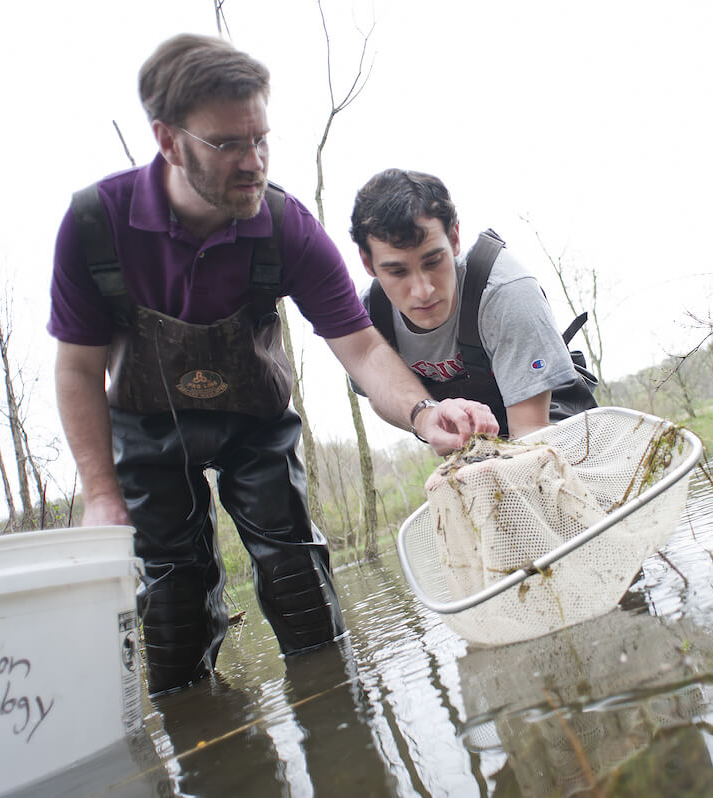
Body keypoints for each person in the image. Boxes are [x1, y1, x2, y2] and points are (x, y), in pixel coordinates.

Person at [48, 34, 497, 696]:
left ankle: (337, 725)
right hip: (144, 430)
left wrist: (425, 413)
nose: (253, 161)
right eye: (229, 144)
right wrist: (100, 495)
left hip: (255, 424)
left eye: (261, 139)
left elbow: (365, 348)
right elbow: (77, 372)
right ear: (169, 141)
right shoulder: (94, 225)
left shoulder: (287, 226)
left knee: (297, 579)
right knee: (171, 606)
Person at [348, 169, 598, 439]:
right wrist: (426, 416)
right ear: (367, 262)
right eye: (397, 272)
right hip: (475, 439)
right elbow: (378, 392)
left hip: (548, 423)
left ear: (454, 239)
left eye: (433, 262)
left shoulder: (506, 291)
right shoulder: (369, 323)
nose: (423, 291)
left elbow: (530, 436)